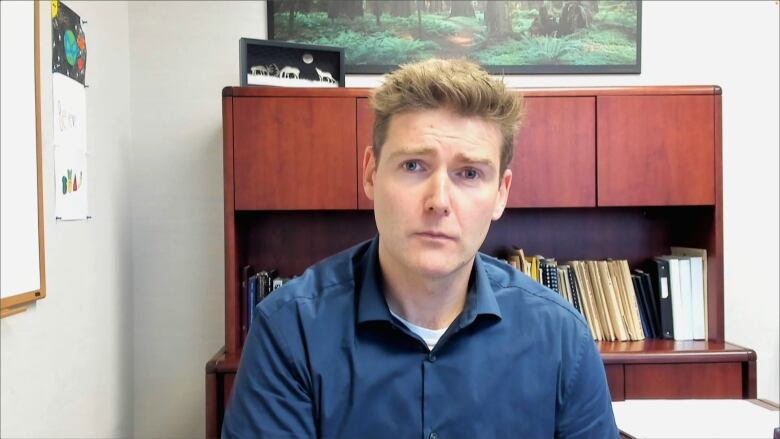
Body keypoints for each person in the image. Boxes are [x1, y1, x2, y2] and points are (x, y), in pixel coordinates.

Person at [222, 58, 618, 439]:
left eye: (469, 173)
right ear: (371, 174)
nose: (439, 200)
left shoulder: (563, 338)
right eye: (414, 165)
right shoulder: (290, 330)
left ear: (501, 193)